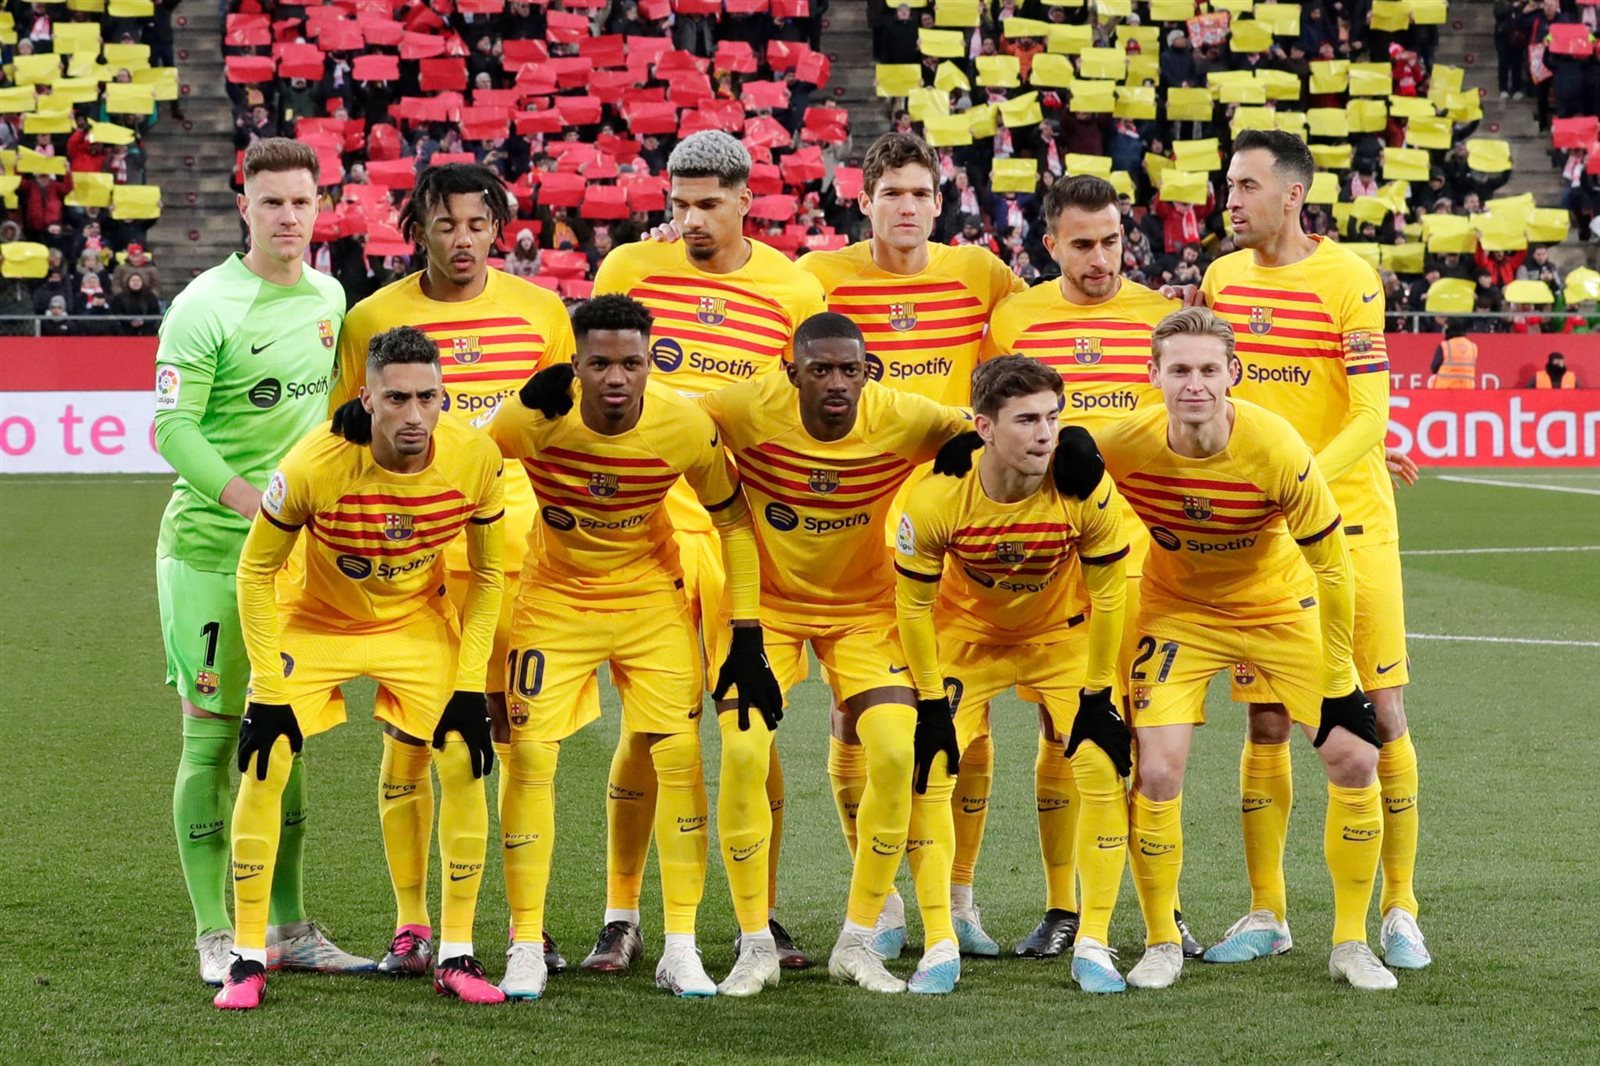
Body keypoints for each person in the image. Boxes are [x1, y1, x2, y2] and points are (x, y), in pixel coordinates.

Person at [484, 295, 781, 1000]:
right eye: (599, 364)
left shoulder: (682, 425)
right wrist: (506, 409)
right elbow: (462, 459)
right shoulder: (533, 418)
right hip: (555, 599)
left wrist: (745, 631)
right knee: (529, 758)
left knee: (679, 758)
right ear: (575, 364)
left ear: (652, 362)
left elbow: (734, 521)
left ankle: (680, 946)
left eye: (632, 363)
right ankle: (526, 943)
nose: (616, 378)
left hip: (651, 599)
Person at [1095, 307, 1394, 992]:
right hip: (1178, 614)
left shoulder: (1276, 446)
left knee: (1355, 756)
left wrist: (1340, 677)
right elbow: (1043, 458)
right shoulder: (1124, 443)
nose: (1194, 384)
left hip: (1278, 608)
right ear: (1153, 375)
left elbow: (1333, 569)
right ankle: (1162, 941)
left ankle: (1350, 943)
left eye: (1208, 369)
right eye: (1179, 370)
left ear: (1232, 373)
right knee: (1156, 773)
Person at [330, 162, 579, 975]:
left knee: (513, 740)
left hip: (512, 557)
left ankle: (524, 924)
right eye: (446, 225)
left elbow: (560, 436)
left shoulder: (542, 312)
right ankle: (412, 925)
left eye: (477, 224)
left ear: (499, 228)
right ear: (418, 230)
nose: (463, 240)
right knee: (410, 740)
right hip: (410, 561)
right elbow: (344, 439)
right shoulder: (373, 318)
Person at [213, 326, 506, 1010]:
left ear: (444, 396)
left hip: (414, 623)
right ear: (367, 399)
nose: (414, 414)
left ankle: (455, 953)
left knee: (463, 755)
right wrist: (268, 691)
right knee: (264, 759)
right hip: (317, 621)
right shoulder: (314, 463)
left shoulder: (475, 458)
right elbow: (255, 572)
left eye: (428, 397)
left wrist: (470, 685)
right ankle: (246, 958)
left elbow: (490, 575)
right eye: (397, 398)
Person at [589, 130, 826, 974]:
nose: (690, 220)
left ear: (746, 200)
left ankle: (763, 914)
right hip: (643, 530)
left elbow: (804, 412)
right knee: (652, 726)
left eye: (708, 204)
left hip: (740, 531)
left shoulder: (794, 289)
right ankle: (621, 915)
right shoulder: (629, 269)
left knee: (750, 724)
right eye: (679, 204)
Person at [1199, 130, 1429, 974]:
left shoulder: (1350, 278)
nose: (1231, 199)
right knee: (1265, 718)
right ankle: (1268, 911)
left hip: (1348, 525)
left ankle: (1399, 906)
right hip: (1264, 536)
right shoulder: (1222, 279)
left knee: (1381, 710)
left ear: (1292, 194)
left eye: (1247, 186)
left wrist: (1302, 482)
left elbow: (1370, 414)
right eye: (1229, 185)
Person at [796, 130, 1025, 959]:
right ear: (864, 200)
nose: (906, 206)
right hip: (856, 518)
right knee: (856, 710)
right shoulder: (819, 278)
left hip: (959, 516)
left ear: (939, 202)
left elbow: (1025, 355)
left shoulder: (981, 275)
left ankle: (958, 895)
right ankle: (884, 895)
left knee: (968, 713)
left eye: (920, 193)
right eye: (890, 192)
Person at [701, 312, 974, 996]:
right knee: (742, 754)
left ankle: (857, 941)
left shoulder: (904, 417)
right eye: (819, 370)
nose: (836, 383)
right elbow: (664, 420)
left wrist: (1065, 443)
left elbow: (995, 425)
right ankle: (754, 943)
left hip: (865, 611)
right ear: (790, 371)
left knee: (895, 754)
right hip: (763, 610)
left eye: (849, 370)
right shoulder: (743, 408)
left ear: (867, 372)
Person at [152, 138, 370, 986]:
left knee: (286, 737)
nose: (287, 216)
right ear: (244, 206)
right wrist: (259, 506)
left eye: (300, 201)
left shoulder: (330, 296)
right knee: (211, 740)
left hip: (294, 566)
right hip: (210, 555)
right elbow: (173, 429)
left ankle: (289, 927)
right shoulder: (203, 306)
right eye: (271, 201)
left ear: (320, 208)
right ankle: (216, 931)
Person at [980, 174, 1199, 961]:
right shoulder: (1016, 316)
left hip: (1142, 555)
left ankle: (1164, 912)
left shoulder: (1157, 316)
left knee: (1144, 735)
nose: (1100, 258)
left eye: (1112, 241)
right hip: (1053, 558)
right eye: (1082, 244)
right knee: (1060, 726)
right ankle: (1063, 905)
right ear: (1050, 244)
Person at [896, 356, 1134, 992]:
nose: (1045, 434)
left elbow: (1110, 594)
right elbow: (912, 607)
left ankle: (1093, 942)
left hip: (1059, 638)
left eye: (1053, 418)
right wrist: (928, 702)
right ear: (984, 428)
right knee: (930, 769)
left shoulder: (1083, 485)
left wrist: (1098, 695)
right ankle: (939, 940)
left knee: (1102, 766)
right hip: (966, 639)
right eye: (1026, 420)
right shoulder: (937, 497)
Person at [1429, 321, 1479, 388]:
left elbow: (1434, 368)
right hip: (1467, 388)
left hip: (1446, 387)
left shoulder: (1445, 346)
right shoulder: (1473, 347)